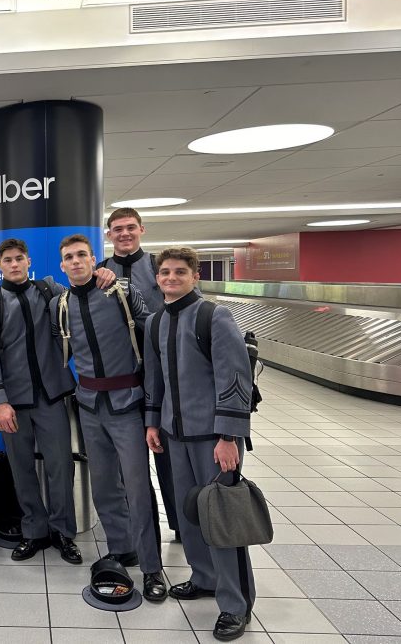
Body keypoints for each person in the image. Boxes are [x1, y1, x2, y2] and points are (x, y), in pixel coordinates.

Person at [144, 247, 255, 641]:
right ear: (157, 278)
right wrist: (152, 422)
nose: (170, 278)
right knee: (190, 514)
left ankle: (235, 604)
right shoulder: (156, 321)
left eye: (179, 272)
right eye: (164, 272)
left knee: (222, 520)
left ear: (195, 276)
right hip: (174, 436)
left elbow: (234, 377)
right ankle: (204, 577)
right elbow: (154, 379)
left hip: (212, 438)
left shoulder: (213, 316)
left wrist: (229, 436)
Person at [52, 234, 166, 601]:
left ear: (94, 261)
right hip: (88, 404)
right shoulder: (62, 303)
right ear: (62, 265)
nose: (75, 261)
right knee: (103, 486)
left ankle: (152, 567)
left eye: (82, 255)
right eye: (68, 257)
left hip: (127, 402)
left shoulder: (118, 292)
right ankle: (122, 546)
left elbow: (150, 324)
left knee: (136, 487)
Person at [0, 238, 81, 564]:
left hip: (51, 396)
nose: (14, 264)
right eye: (7, 260)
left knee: (60, 465)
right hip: (12, 402)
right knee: (21, 468)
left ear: (28, 260)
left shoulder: (49, 292)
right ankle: (34, 530)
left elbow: (81, 298)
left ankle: (63, 532)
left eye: (19, 258)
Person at [95, 206, 179, 544]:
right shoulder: (100, 271)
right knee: (124, 464)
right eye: (117, 229)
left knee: (168, 456)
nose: (124, 234)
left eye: (130, 227)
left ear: (142, 229)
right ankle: (129, 529)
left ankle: (181, 524)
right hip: (121, 376)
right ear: (109, 235)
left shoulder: (161, 267)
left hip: (162, 373)